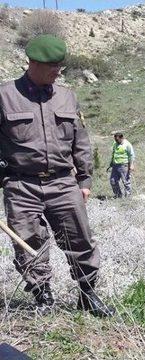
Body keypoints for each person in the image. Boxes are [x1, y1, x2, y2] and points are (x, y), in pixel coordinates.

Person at [0, 34, 113, 317]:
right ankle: (43, 295)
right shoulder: (4, 96)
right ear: (32, 63)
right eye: (52, 66)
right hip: (20, 183)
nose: (57, 71)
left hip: (63, 182)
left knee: (80, 240)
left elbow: (80, 140)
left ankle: (87, 294)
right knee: (29, 242)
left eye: (60, 66)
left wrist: (84, 180)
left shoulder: (66, 95)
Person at [108, 132, 135, 198]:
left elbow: (131, 155)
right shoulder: (115, 144)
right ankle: (118, 195)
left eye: (117, 140)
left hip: (124, 165)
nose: (116, 141)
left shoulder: (127, 144)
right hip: (115, 165)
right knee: (113, 181)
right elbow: (114, 153)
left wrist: (131, 165)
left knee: (126, 182)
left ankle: (128, 197)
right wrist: (111, 162)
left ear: (121, 138)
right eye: (115, 139)